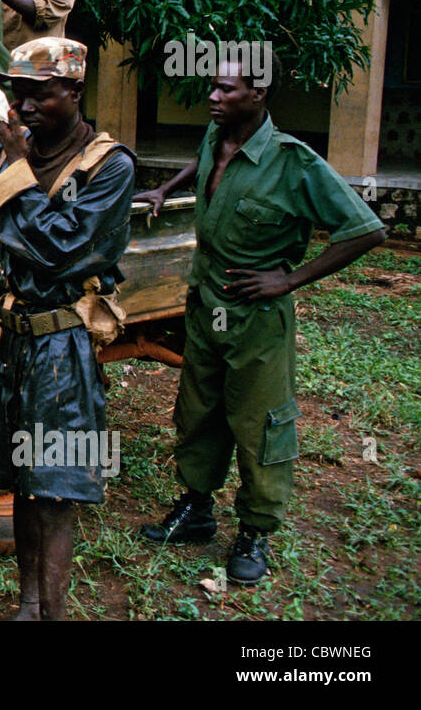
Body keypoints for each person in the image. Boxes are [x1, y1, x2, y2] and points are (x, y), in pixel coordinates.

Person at [137, 50, 385, 585]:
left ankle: (255, 530)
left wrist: (289, 279)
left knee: (259, 424)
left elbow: (367, 230)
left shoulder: (293, 162)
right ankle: (197, 507)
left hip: (256, 318)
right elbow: (203, 163)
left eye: (227, 89)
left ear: (259, 94)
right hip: (205, 306)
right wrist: (166, 188)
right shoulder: (216, 134)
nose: (213, 97)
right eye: (213, 86)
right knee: (199, 408)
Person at [0, 37, 135, 620]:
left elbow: (59, 249)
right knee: (19, 477)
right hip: (7, 338)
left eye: (41, 93)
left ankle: (52, 615)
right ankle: (29, 605)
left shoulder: (109, 167)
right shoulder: (2, 152)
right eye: (18, 93)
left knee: (54, 490)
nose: (25, 106)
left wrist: (16, 170)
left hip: (62, 345)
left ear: (74, 91)